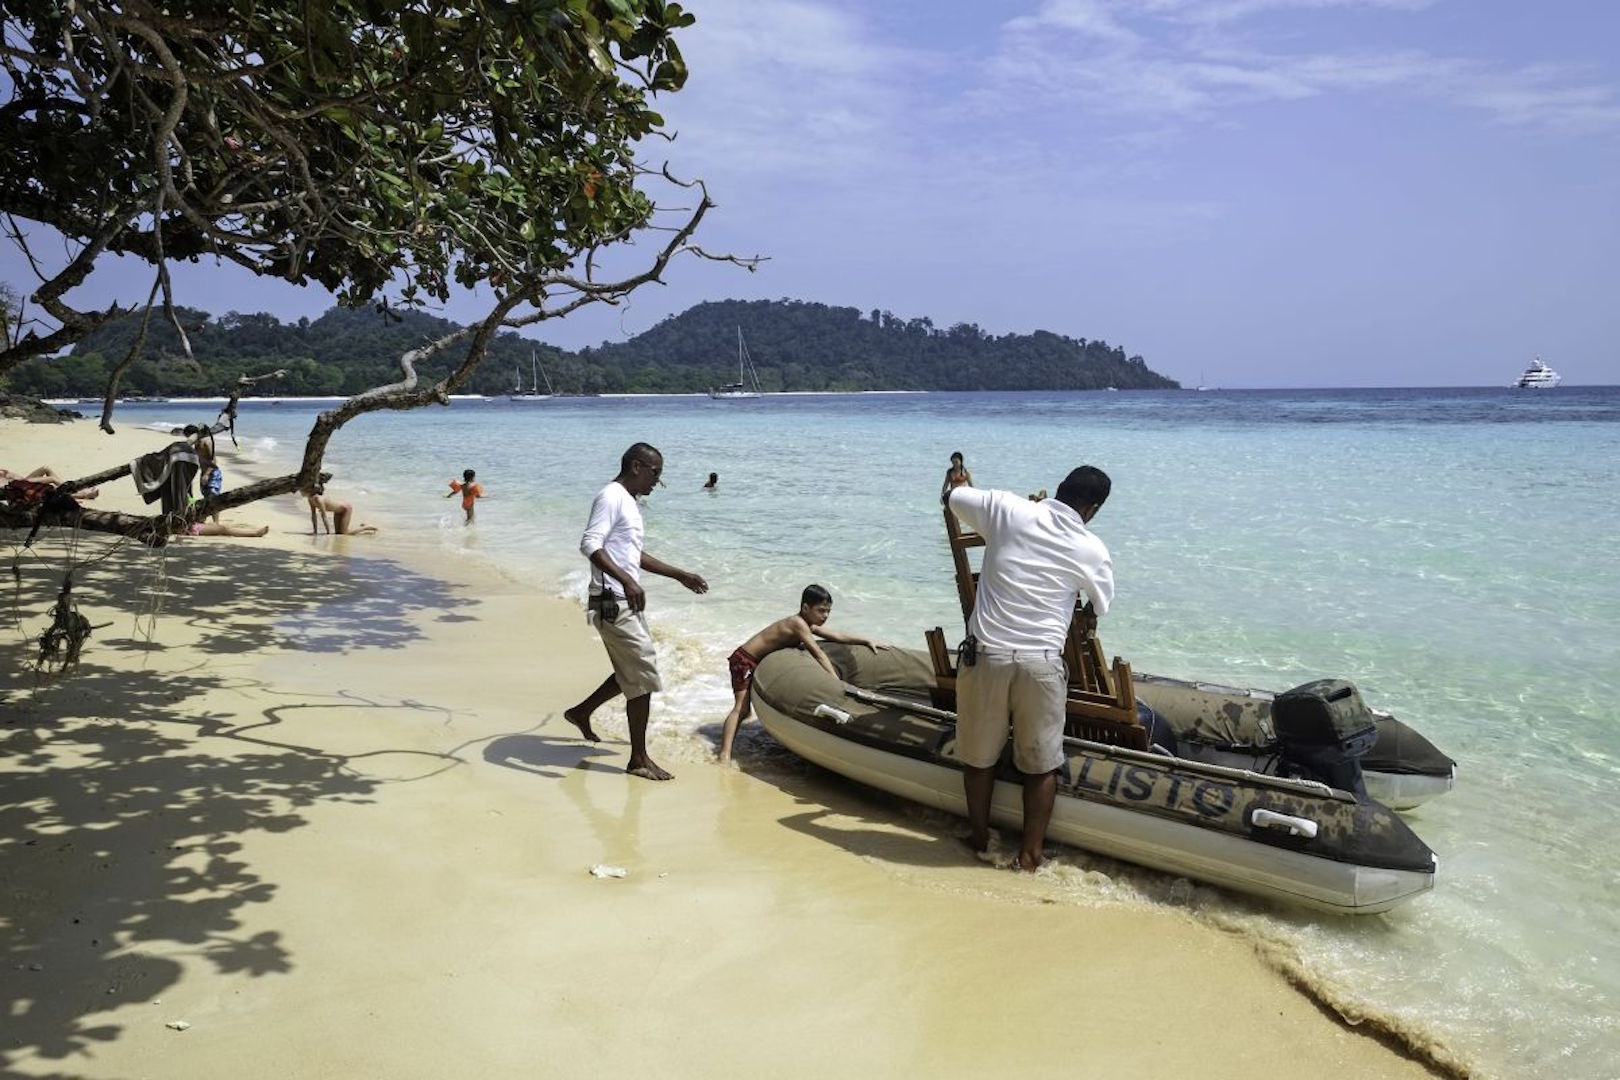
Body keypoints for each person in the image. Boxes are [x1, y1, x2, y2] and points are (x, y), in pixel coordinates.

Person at [947, 465, 1114, 872]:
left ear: (1057, 489)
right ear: (1092, 509)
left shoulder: (1007, 508)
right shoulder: (1091, 547)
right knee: (1041, 766)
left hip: (987, 657)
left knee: (978, 759)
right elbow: (1101, 604)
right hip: (1041, 664)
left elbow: (951, 498)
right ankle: (1030, 855)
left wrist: (958, 480)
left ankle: (980, 837)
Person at [564, 442, 708, 781]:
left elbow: (632, 553)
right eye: (656, 473)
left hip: (620, 599)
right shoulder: (611, 496)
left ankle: (582, 712)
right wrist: (627, 581)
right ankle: (639, 759)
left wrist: (679, 575)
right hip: (612, 600)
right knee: (642, 676)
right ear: (636, 466)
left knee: (633, 669)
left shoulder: (628, 502)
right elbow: (590, 544)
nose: (658, 481)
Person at [718, 584, 888, 764]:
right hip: (745, 660)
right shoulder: (797, 623)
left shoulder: (807, 624)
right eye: (821, 610)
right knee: (742, 709)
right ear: (805, 608)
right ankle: (724, 755)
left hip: (752, 660)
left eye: (828, 611)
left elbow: (836, 635)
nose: (825, 616)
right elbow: (818, 653)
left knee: (746, 712)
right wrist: (836, 682)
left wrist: (866, 640)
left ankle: (732, 745)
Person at [303, 472, 378, 535]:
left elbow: (324, 517)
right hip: (338, 511)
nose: (301, 491)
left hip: (346, 509)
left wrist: (328, 533)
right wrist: (315, 531)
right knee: (338, 533)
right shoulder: (310, 499)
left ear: (310, 490)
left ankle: (366, 527)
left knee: (344, 533)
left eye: (302, 489)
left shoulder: (319, 499)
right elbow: (313, 516)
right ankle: (362, 526)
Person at [0, 466, 99, 499]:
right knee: (51, 479)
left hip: (20, 482)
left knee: (45, 469)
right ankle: (79, 493)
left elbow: (12, 475)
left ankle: (71, 489)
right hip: (13, 487)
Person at [195, 442, 224, 524]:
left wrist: (207, 474)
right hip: (203, 473)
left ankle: (216, 522)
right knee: (206, 496)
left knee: (213, 497)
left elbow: (214, 461)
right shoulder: (196, 445)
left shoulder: (206, 444)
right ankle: (202, 519)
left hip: (213, 473)